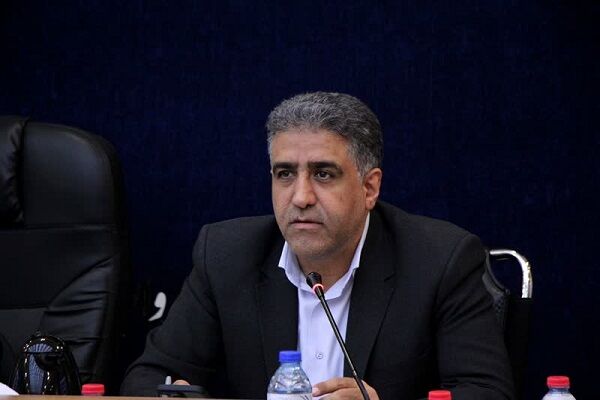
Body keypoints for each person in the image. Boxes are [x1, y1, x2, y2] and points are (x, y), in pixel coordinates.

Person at [121, 92, 514, 399]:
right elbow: (149, 377)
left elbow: (487, 392)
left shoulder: (440, 260)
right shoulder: (226, 255)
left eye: (323, 174)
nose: (300, 197)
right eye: (285, 174)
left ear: (369, 187)